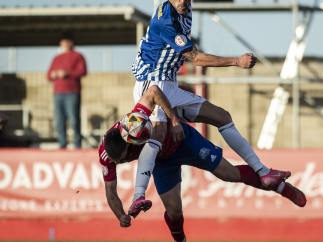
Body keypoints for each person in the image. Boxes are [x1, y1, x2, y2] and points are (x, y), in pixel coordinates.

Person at [131, 0, 289, 207]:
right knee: (159, 133)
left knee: (222, 117)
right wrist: (235, 61)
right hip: (151, 82)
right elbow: (196, 58)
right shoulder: (166, 20)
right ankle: (138, 196)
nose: (182, 0)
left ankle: (263, 171)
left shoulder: (186, 8)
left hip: (170, 83)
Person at [100, 89, 306, 242]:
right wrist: (120, 216)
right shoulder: (107, 156)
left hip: (182, 141)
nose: (119, 164)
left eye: (124, 159)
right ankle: (181, 241)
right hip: (162, 161)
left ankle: (281, 187)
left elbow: (153, 91)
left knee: (229, 173)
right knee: (174, 211)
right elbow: (110, 192)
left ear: (128, 142)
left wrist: (173, 120)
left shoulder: (134, 122)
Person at [47, 33, 87, 148]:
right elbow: (48, 75)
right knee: (59, 121)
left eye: (68, 41)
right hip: (58, 94)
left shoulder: (78, 56)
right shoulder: (56, 58)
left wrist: (67, 73)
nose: (66, 43)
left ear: (72, 42)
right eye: (64, 41)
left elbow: (82, 71)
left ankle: (77, 145)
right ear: (61, 43)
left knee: (74, 119)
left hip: (72, 93)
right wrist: (54, 74)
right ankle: (62, 145)